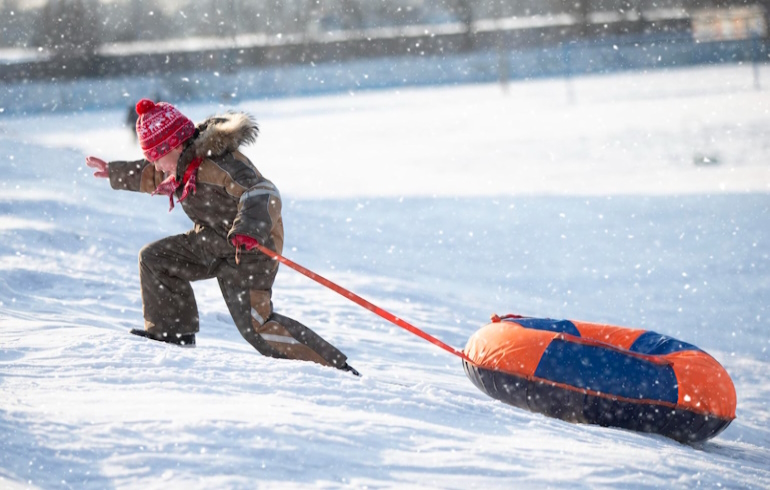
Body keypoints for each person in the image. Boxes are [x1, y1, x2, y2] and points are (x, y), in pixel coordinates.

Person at [86, 99, 358, 375]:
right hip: (213, 242)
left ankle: (334, 368)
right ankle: (172, 334)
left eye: (156, 157)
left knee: (256, 327)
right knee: (156, 259)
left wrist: (248, 229)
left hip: (250, 249)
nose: (156, 167)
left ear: (175, 146)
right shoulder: (181, 166)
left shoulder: (220, 164)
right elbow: (152, 177)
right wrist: (115, 171)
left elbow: (263, 193)